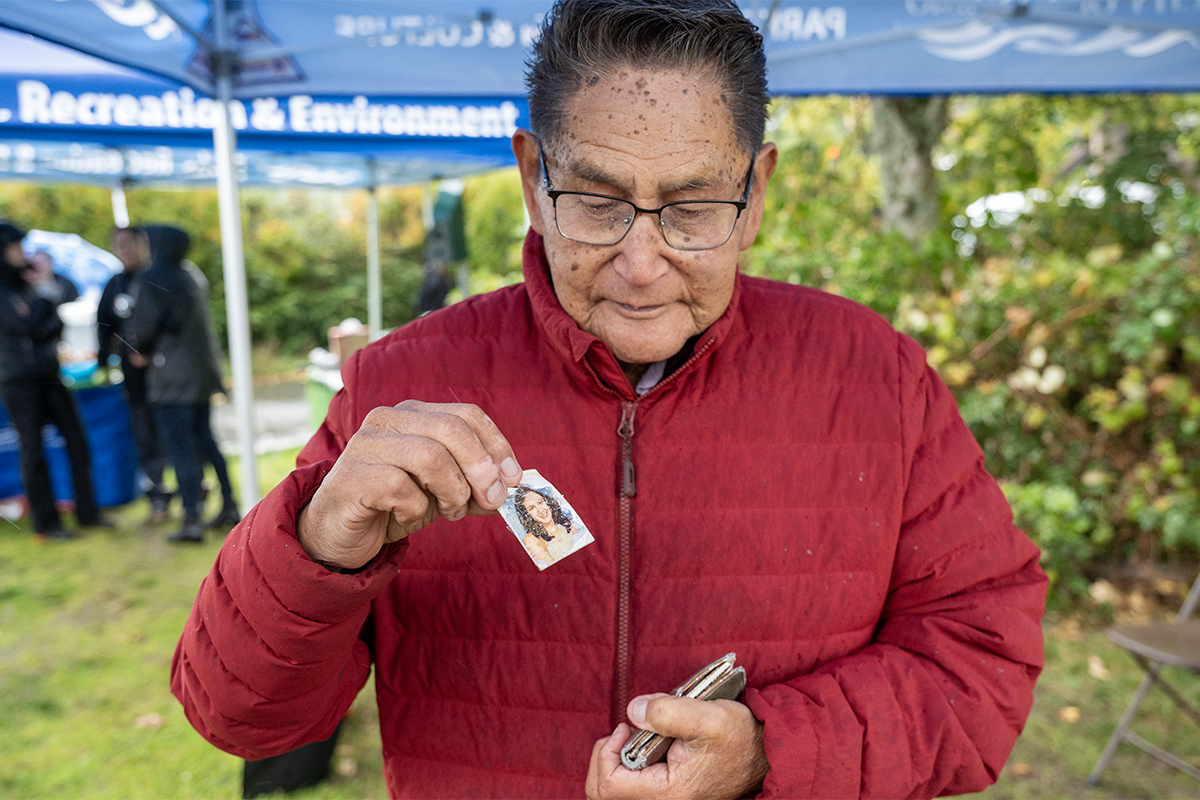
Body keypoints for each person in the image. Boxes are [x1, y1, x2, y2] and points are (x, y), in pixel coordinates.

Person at [171, 2, 1048, 798]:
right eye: (594, 201)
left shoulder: (875, 378)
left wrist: (768, 752)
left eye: (694, 206)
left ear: (756, 194)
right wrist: (318, 547)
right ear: (529, 178)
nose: (640, 264)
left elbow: (981, 665)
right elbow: (242, 719)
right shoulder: (398, 388)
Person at [0, 222, 109, 538]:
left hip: (49, 374)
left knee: (77, 441)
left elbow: (52, 317)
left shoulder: (27, 282)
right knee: (33, 449)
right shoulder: (6, 290)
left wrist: (43, 296)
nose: (24, 253)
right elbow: (26, 326)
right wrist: (44, 304)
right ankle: (47, 524)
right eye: (17, 247)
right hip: (18, 380)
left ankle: (88, 513)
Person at [128, 225, 235, 543]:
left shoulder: (153, 277)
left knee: (181, 448)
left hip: (172, 378)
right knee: (206, 441)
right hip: (199, 374)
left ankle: (192, 519)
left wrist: (140, 351)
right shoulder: (190, 275)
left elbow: (144, 327)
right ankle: (229, 503)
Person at [97, 226, 173, 522]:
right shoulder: (115, 284)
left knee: (170, 433)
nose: (124, 250)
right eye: (118, 245)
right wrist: (105, 359)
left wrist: (151, 350)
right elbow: (103, 323)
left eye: (129, 244)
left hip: (164, 375)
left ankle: (190, 489)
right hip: (134, 378)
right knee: (144, 436)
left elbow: (172, 324)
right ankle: (158, 495)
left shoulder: (157, 279)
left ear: (143, 246)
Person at [515, 485, 576, 565]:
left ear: (547, 502)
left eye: (540, 502)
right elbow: (552, 566)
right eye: (532, 508)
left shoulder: (564, 524)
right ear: (528, 515)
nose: (540, 510)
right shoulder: (531, 539)